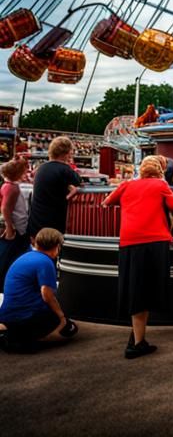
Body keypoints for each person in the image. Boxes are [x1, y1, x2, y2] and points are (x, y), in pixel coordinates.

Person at [102, 154, 173, 358]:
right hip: (154, 243)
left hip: (128, 242)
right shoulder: (160, 186)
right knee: (146, 292)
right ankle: (137, 343)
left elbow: (106, 203)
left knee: (135, 290)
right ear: (161, 170)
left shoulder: (126, 185)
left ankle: (137, 336)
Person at [0, 228, 77, 353]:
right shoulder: (45, 262)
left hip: (6, 313)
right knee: (69, 328)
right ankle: (29, 338)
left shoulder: (25, 256)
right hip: (27, 315)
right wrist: (61, 316)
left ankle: (10, 330)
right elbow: (47, 295)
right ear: (56, 246)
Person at [26, 136, 81, 238]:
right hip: (52, 225)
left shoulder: (41, 168)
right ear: (67, 153)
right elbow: (78, 180)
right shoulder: (65, 169)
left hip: (35, 223)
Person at [1, 158, 31, 290]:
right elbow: (6, 208)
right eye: (24, 171)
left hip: (16, 228)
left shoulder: (6, 185)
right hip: (17, 229)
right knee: (12, 257)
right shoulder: (13, 189)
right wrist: (10, 227)